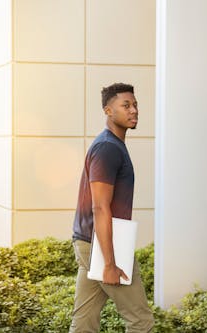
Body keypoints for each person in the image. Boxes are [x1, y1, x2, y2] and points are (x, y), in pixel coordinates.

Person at [70, 83, 154, 332]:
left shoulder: (112, 145)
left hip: (90, 241)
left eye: (135, 104)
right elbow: (100, 207)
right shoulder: (108, 148)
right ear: (108, 110)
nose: (134, 110)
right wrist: (109, 263)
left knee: (84, 322)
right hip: (104, 244)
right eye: (125, 105)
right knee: (141, 321)